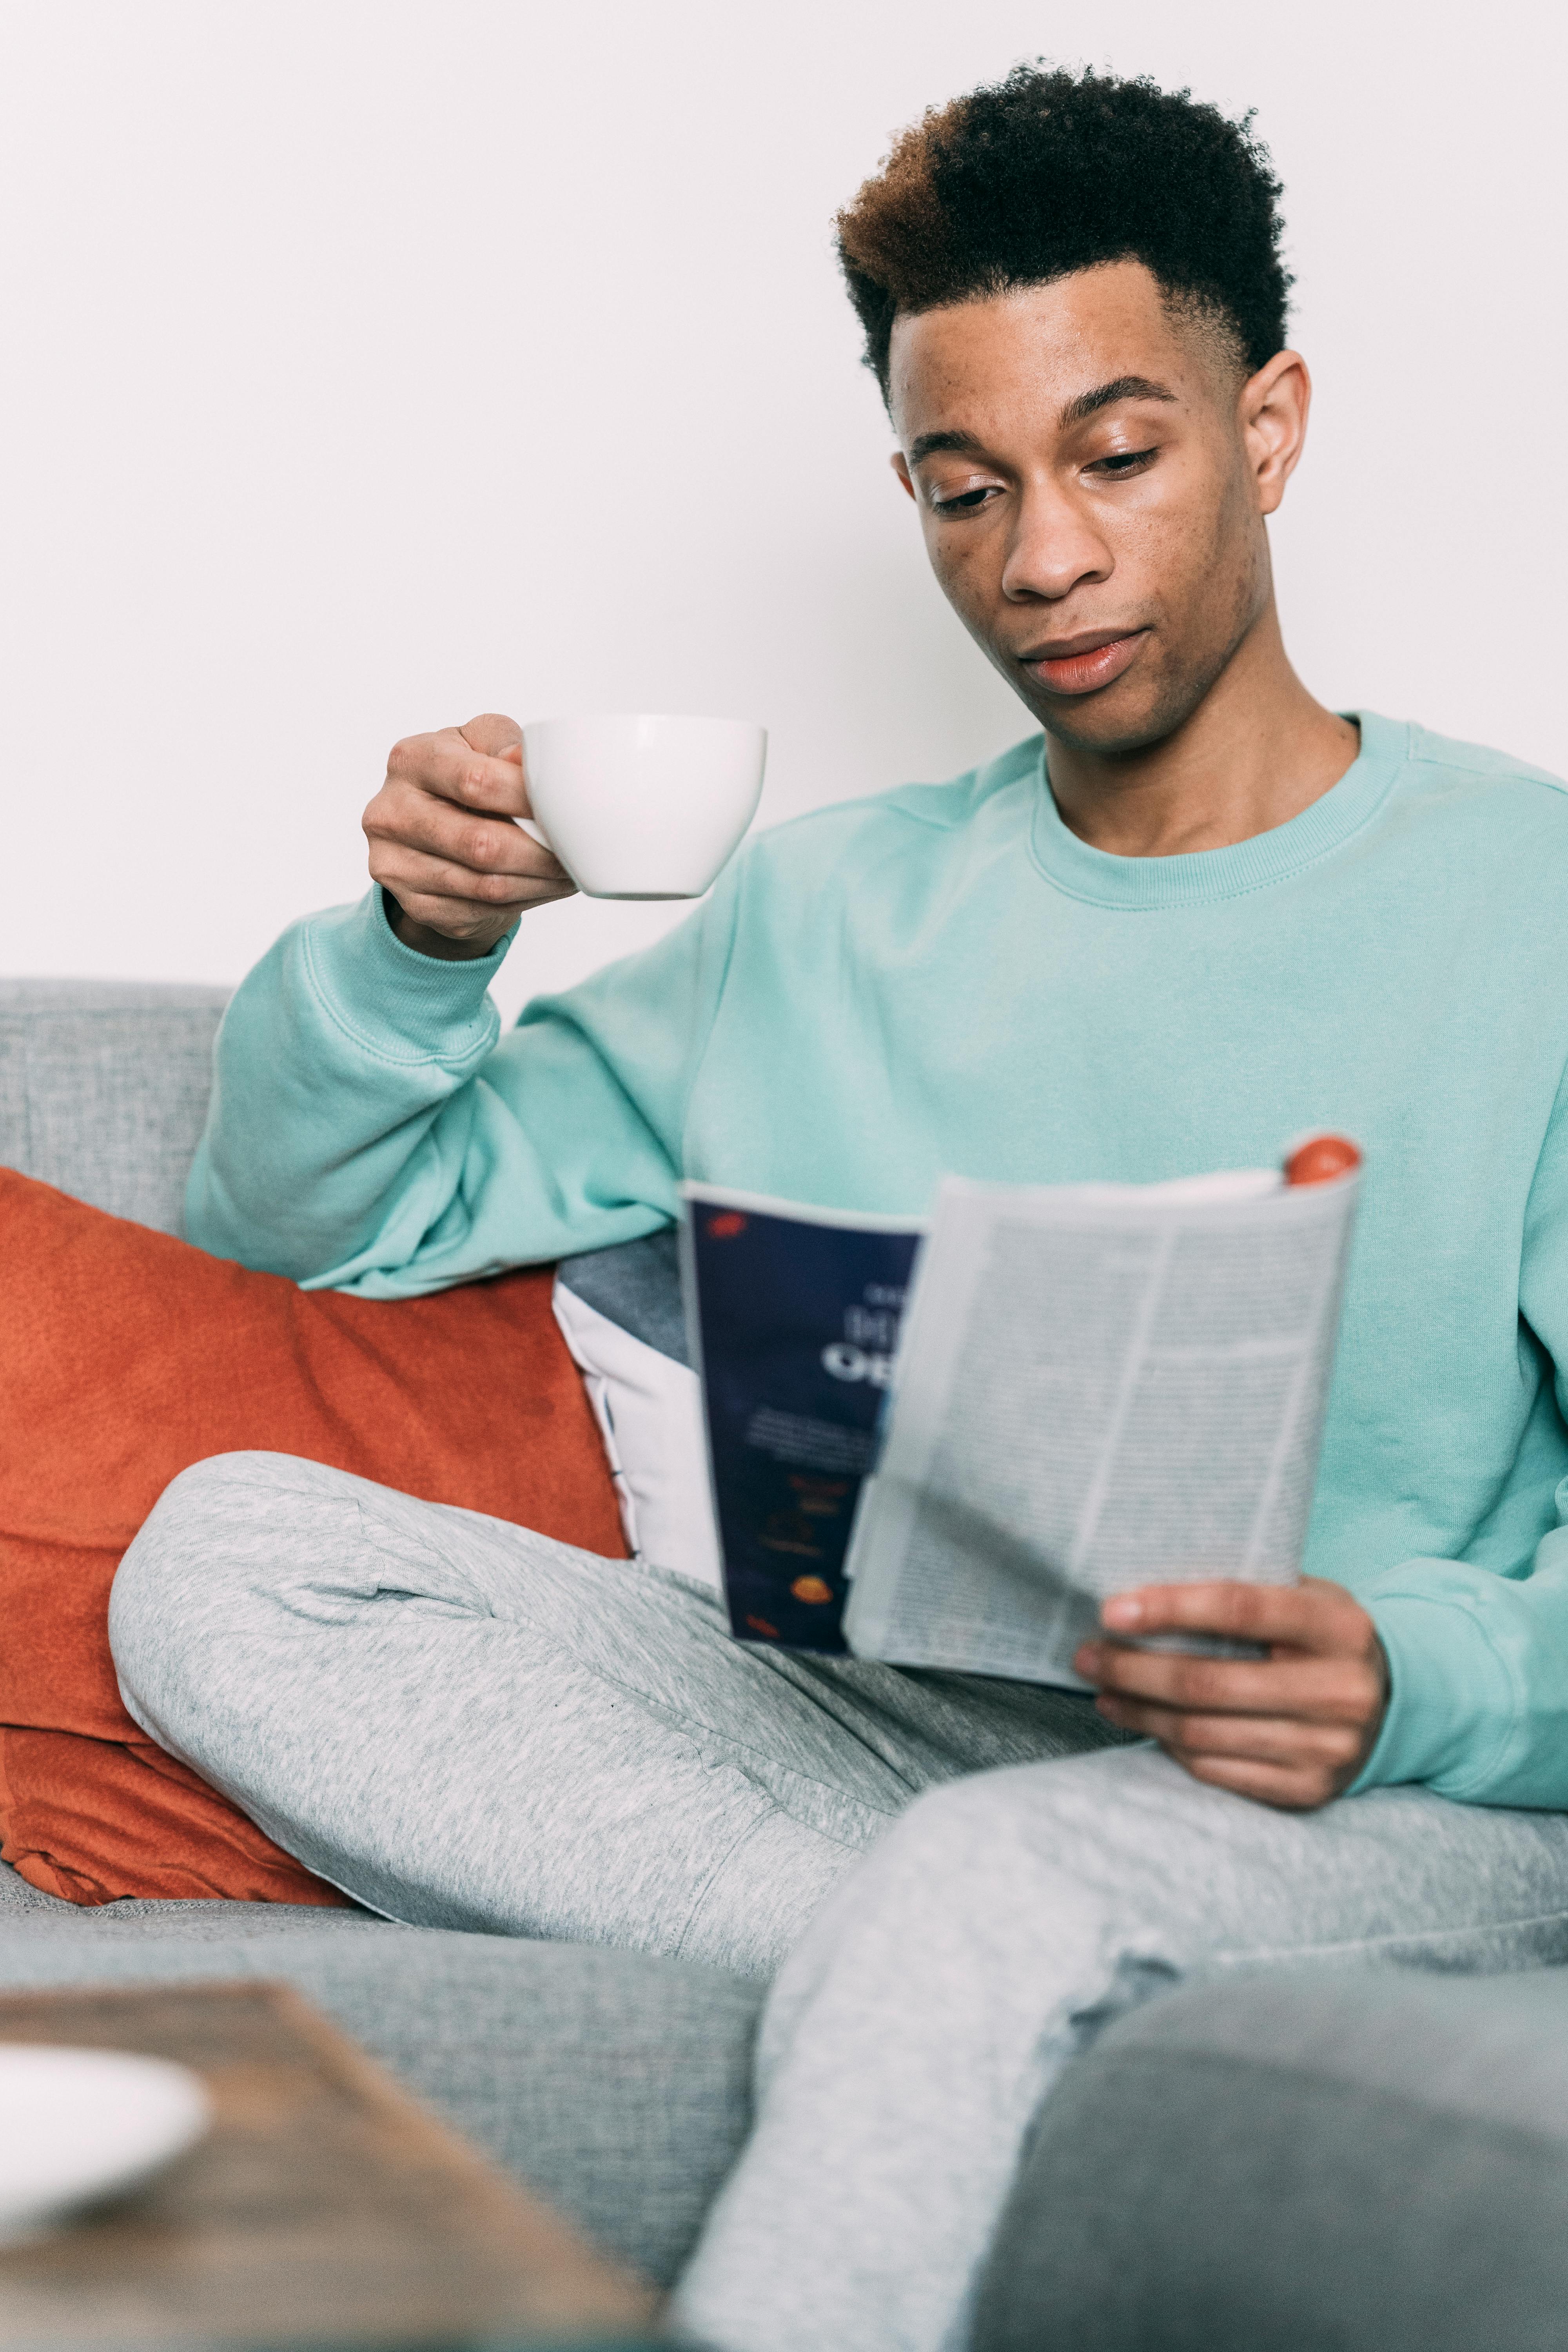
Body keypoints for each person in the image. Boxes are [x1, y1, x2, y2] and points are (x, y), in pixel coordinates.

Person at [110, 64, 1568, 2352]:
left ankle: (1007, 1946)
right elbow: (322, 1219)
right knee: (232, 1562)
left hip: (1386, 1786)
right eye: (966, 490)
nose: (1044, 560)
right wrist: (419, 948)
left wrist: (1424, 1674)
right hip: (907, 1735)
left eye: (1118, 457)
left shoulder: (1532, 910)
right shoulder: (832, 915)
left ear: (1266, 426)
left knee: (1011, 1883)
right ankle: (991, 1968)